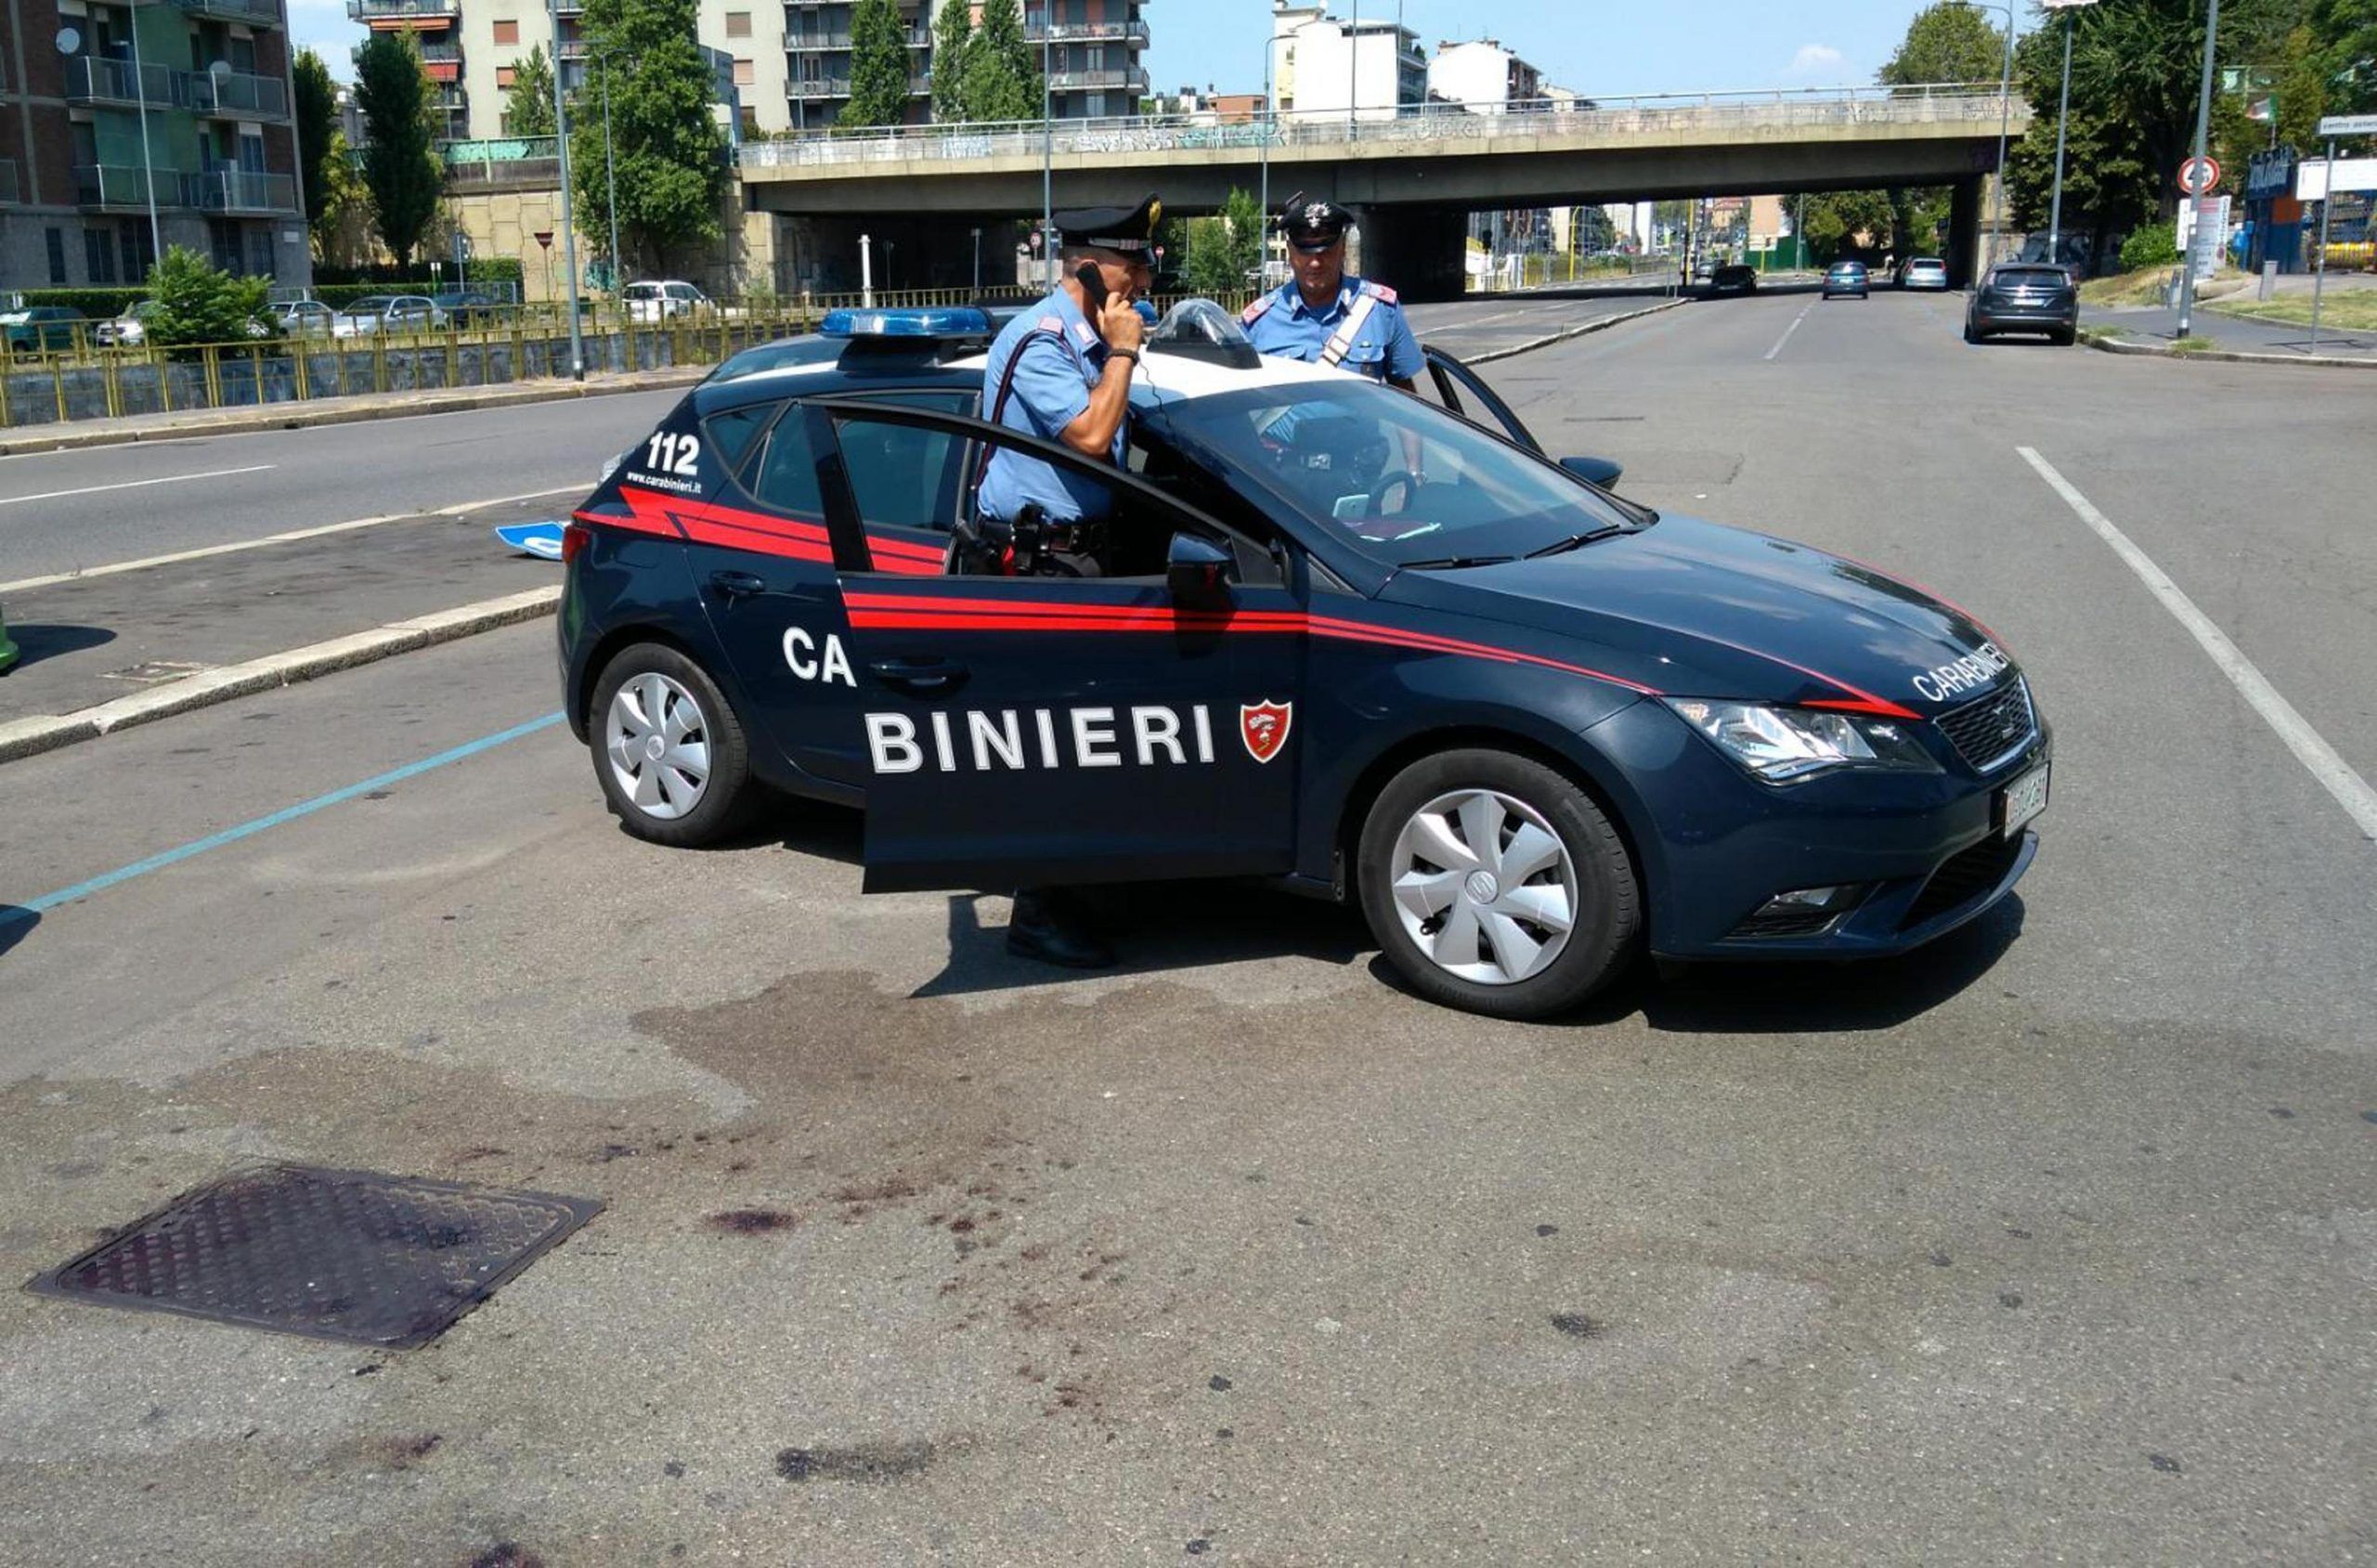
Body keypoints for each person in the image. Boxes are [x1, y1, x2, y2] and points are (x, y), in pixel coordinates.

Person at [974, 194, 1161, 970]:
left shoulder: (1088, 339)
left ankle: (1086, 887)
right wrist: (1122, 352)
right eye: (1135, 262)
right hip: (1036, 564)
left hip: (1086, 554)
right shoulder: (1045, 340)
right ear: (1091, 265)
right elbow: (1090, 435)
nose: (1147, 276)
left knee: (1095, 737)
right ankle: (1038, 914)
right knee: (1055, 741)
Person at [1240, 196, 1422, 391]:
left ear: (1342, 248)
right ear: (1290, 252)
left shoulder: (1379, 310)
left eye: (1325, 252)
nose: (1315, 262)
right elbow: (1237, 403)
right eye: (1305, 252)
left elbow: (1407, 397)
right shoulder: (1259, 323)